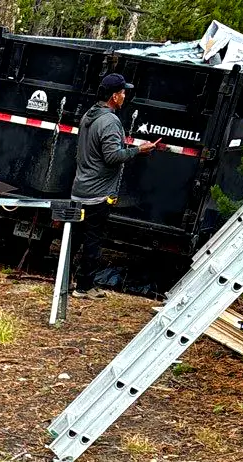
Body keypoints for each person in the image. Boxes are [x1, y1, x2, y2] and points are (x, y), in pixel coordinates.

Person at [71, 72, 160, 295]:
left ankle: (66, 280)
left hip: (80, 189)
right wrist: (139, 150)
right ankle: (84, 287)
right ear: (114, 96)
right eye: (122, 92)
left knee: (74, 239)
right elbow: (111, 156)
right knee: (93, 241)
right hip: (97, 194)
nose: (124, 96)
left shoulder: (89, 116)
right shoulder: (109, 121)